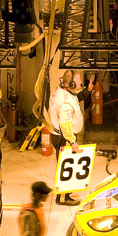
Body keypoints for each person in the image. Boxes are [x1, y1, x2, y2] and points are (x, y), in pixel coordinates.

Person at [48, 70, 85, 206]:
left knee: (64, 165)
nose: (81, 82)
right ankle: (63, 198)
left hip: (62, 136)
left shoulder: (64, 91)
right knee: (66, 167)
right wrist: (73, 142)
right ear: (72, 83)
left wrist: (87, 91)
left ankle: (65, 194)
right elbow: (65, 125)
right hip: (65, 138)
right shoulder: (65, 104)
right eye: (79, 80)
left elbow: (75, 98)